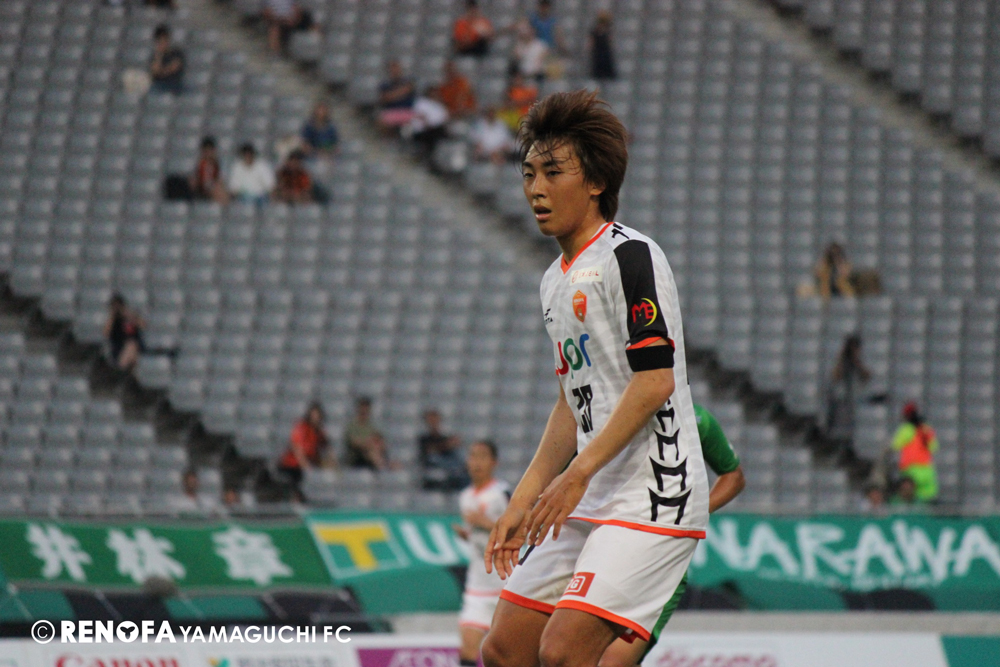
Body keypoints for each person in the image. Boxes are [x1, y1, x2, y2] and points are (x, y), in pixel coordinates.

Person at [481, 91, 709, 667]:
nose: (536, 188)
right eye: (528, 173)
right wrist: (524, 498)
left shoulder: (631, 256)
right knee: (504, 649)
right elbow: (570, 401)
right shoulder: (553, 281)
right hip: (589, 491)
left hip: (652, 492)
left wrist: (576, 474)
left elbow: (654, 382)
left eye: (553, 172)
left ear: (596, 183)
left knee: (562, 652)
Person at [599, 404, 744, 667]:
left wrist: (694, 511)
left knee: (611, 662)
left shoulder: (696, 418)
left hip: (660, 562)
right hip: (604, 552)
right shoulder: (607, 412)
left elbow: (733, 476)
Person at [452, 441, 510, 666]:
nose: (476, 462)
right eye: (473, 456)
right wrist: (468, 535)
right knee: (467, 650)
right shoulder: (465, 496)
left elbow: (521, 533)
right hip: (477, 585)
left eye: (482, 456)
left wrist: (485, 523)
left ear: (494, 462)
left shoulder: (501, 493)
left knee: (507, 655)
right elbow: (481, 539)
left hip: (505, 584)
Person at [278, 402, 331, 502]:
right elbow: (297, 449)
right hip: (292, 465)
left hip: (307, 465)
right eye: (314, 415)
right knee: (297, 486)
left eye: (318, 416)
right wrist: (306, 467)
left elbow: (327, 448)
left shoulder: (319, 432)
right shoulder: (302, 427)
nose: (316, 418)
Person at [825, 334, 871, 451]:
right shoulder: (840, 361)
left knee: (851, 432)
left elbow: (866, 376)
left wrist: (856, 362)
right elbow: (835, 376)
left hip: (854, 401)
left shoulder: (860, 361)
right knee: (838, 431)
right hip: (840, 401)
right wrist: (842, 358)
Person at [891, 402, 939, 503]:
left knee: (912, 501)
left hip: (911, 470)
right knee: (928, 501)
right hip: (927, 470)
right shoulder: (926, 429)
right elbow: (934, 447)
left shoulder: (906, 429)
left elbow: (895, 445)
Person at [419, 409, 468, 490]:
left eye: (435, 419)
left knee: (459, 454)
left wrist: (452, 444)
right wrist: (447, 445)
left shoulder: (443, 437)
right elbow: (430, 451)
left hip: (448, 464)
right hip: (434, 466)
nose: (434, 422)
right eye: (431, 420)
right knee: (434, 458)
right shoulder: (423, 438)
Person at [344, 397, 392, 470]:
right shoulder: (352, 426)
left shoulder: (372, 426)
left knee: (375, 452)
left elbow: (380, 441)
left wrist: (375, 444)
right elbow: (354, 442)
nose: (364, 412)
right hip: (357, 456)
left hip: (371, 453)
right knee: (371, 452)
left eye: (366, 410)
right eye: (362, 409)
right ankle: (382, 468)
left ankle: (383, 466)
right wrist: (368, 443)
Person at [406, 87, 451, 162]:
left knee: (441, 134)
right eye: (433, 93)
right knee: (435, 134)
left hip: (436, 130)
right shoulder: (422, 102)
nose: (434, 95)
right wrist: (428, 124)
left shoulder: (441, 107)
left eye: (436, 93)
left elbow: (444, 120)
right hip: (420, 131)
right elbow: (420, 116)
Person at [104, 293, 146, 372]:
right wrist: (112, 317)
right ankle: (125, 370)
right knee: (130, 346)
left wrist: (131, 317)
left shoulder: (130, 316)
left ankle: (125, 371)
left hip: (135, 347)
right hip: (119, 349)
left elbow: (143, 325)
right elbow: (106, 333)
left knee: (131, 345)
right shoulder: (112, 321)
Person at [378, 60, 417, 132]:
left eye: (396, 68)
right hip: (392, 111)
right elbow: (386, 98)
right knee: (382, 121)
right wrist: (400, 92)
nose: (395, 71)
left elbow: (408, 89)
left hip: (407, 111)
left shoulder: (407, 81)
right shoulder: (385, 84)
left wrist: (393, 95)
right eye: (392, 69)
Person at [190, 136, 229, 204]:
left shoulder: (218, 164)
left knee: (220, 190)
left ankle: (224, 207)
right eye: (206, 151)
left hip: (214, 188)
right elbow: (194, 180)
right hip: (201, 189)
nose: (208, 154)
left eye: (210, 151)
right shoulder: (199, 164)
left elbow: (221, 180)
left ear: (214, 151)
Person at [149, 24, 185, 95]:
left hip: (174, 85)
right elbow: (155, 72)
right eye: (160, 40)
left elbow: (173, 68)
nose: (163, 43)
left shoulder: (177, 53)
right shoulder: (155, 56)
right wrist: (159, 55)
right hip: (159, 85)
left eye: (164, 40)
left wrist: (161, 72)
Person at [588, 11, 616, 81]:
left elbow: (610, 43)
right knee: (598, 74)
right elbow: (591, 44)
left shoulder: (607, 32)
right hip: (598, 54)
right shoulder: (595, 32)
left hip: (605, 54)